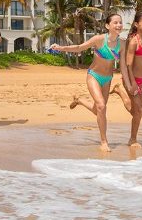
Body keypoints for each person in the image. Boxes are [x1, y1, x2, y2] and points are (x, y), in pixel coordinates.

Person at [51, 14, 123, 152]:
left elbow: (125, 64)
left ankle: (79, 100)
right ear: (108, 26)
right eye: (115, 22)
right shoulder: (99, 39)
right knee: (101, 107)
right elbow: (79, 47)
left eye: (120, 22)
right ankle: (104, 141)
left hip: (108, 79)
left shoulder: (122, 43)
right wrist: (60, 48)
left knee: (98, 110)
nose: (119, 25)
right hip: (94, 76)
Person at [112, 11, 142, 148]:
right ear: (136, 24)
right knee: (139, 110)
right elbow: (129, 65)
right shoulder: (133, 41)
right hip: (132, 80)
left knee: (136, 111)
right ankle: (132, 139)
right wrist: (133, 84)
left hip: (141, 80)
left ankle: (119, 91)